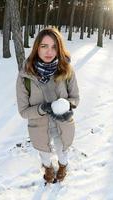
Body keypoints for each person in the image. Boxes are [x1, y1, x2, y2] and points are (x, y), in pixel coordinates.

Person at [16, 28, 79, 183]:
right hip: (39, 128)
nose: (49, 52)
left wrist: (67, 105)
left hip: (63, 124)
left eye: (54, 47)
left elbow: (75, 98)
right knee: (44, 153)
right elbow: (23, 112)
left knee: (62, 150)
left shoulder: (66, 70)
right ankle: (49, 169)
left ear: (59, 49)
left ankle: (63, 166)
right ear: (37, 47)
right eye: (44, 46)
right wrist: (42, 108)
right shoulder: (25, 76)